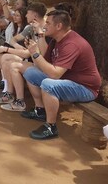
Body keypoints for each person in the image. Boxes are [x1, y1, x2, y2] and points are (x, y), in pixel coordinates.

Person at [22, 9, 101, 139]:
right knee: (30, 72)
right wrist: (37, 43)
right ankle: (40, 110)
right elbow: (46, 62)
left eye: (48, 23)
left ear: (58, 26)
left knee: (48, 84)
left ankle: (51, 127)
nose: (44, 25)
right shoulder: (57, 39)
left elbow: (54, 74)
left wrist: (35, 54)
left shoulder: (72, 43)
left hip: (85, 88)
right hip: (67, 80)